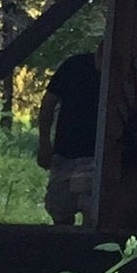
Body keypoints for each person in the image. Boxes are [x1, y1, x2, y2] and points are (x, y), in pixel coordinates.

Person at [35, 48, 102, 226]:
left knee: (93, 214)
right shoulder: (74, 66)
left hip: (98, 156)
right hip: (65, 154)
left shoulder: (119, 72)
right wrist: (44, 144)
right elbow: (48, 104)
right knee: (59, 211)